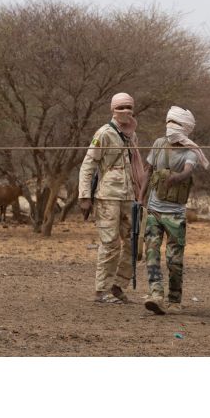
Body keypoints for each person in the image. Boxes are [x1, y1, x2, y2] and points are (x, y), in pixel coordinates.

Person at [139, 106, 209, 315]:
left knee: (174, 260)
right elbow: (147, 170)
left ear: (185, 128)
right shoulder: (159, 144)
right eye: (170, 122)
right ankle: (156, 294)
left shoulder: (191, 151)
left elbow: (187, 171)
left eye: (176, 124)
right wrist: (141, 197)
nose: (171, 127)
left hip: (175, 214)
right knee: (151, 254)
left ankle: (174, 298)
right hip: (153, 210)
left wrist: (176, 178)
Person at [78, 93, 144, 304]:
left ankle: (119, 285)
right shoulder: (104, 133)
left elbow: (135, 165)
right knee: (110, 243)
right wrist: (84, 196)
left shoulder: (132, 135)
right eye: (120, 107)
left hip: (130, 196)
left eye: (128, 107)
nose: (125, 111)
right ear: (113, 110)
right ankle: (101, 291)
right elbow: (89, 165)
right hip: (108, 196)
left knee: (135, 242)